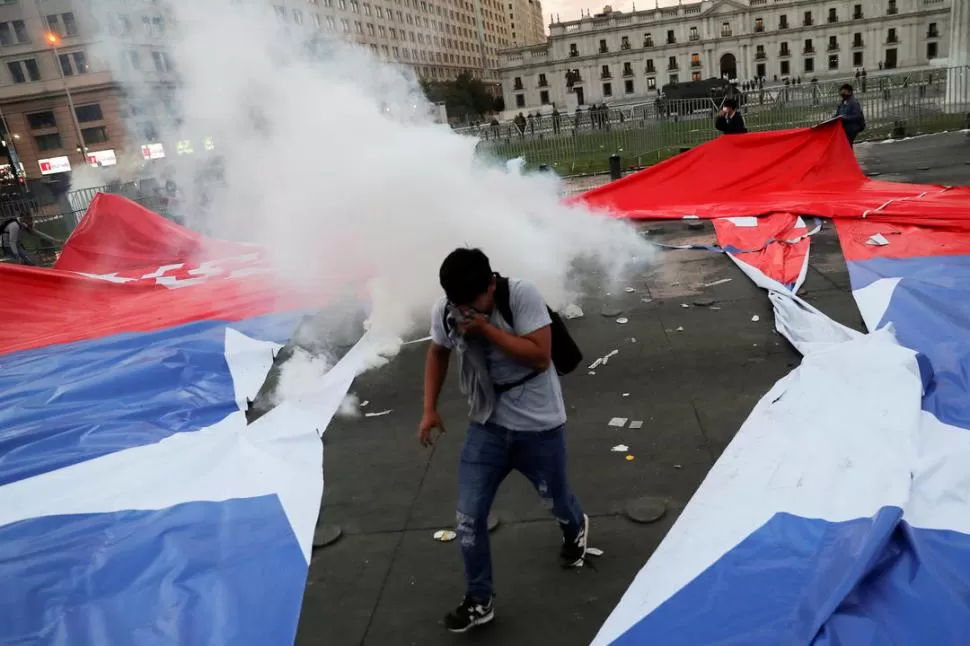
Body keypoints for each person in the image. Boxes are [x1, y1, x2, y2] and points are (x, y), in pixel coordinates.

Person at [420, 248, 588, 634]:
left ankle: (574, 526)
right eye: (457, 304)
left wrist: (487, 331)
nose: (463, 311)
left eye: (471, 303)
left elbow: (540, 357)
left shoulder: (521, 296)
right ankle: (480, 600)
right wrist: (429, 409)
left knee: (556, 499)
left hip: (539, 424)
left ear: (491, 285)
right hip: (487, 424)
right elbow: (437, 352)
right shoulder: (449, 309)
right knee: (468, 515)